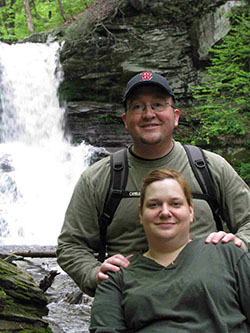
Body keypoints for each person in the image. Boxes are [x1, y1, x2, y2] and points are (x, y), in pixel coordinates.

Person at [56, 71, 250, 297]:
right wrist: (92, 273)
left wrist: (239, 245)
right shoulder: (97, 179)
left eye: (158, 104)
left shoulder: (211, 167)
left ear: (175, 116)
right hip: (132, 305)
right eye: (137, 107)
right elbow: (71, 245)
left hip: (210, 302)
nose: (149, 114)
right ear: (125, 120)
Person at [90, 169, 250, 332]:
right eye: (154, 205)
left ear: (190, 211)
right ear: (141, 214)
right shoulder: (116, 275)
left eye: (175, 204)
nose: (165, 212)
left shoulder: (228, 253)